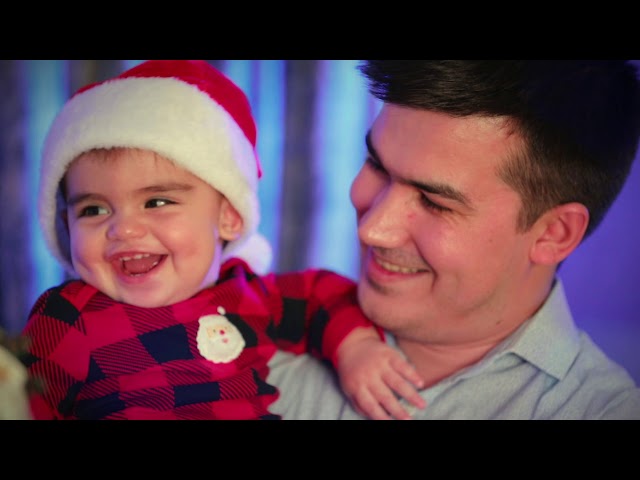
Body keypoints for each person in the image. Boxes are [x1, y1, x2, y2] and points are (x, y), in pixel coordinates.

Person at [21, 60, 426, 420]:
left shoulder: (248, 295)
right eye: (93, 209)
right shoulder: (68, 318)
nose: (122, 229)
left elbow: (322, 295)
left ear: (229, 218)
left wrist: (355, 348)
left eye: (156, 202)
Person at [267, 60, 640, 420]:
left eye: (434, 202)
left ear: (553, 234)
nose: (372, 230)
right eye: (376, 165)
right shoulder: (258, 327)